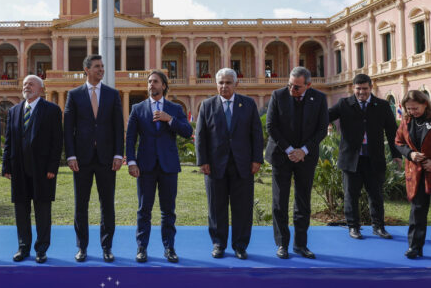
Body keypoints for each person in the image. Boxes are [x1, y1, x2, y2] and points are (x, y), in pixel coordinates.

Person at [196, 68, 264, 260]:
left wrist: (257, 160)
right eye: (221, 83)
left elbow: (256, 135)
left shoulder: (248, 104)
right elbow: (200, 136)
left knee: (242, 208)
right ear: (216, 84)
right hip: (215, 166)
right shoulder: (207, 105)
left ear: (236, 84)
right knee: (216, 207)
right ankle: (218, 243)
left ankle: (240, 245)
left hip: (242, 165)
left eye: (228, 82)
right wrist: (202, 161)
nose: (224, 86)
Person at [126, 70, 192, 263]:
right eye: (149, 82)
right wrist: (131, 162)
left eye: (155, 81)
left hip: (168, 166)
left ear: (163, 86)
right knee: (143, 210)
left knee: (168, 211)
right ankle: (141, 248)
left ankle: (169, 248)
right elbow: (130, 138)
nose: (151, 85)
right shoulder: (137, 108)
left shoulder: (174, 108)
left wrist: (169, 119)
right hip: (145, 167)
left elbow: (187, 132)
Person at [64, 54, 124, 262]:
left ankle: (107, 247)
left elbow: (118, 126)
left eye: (102, 66)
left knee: (107, 205)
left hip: (107, 159)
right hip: (81, 159)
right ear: (86, 70)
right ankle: (82, 248)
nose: (101, 69)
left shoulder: (112, 94)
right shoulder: (74, 95)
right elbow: (68, 128)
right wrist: (70, 155)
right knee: (81, 205)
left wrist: (118, 154)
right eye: (97, 66)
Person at [328, 73, 401, 240]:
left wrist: (397, 155)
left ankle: (379, 227)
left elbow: (392, 132)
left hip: (374, 159)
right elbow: (325, 117)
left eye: (365, 89)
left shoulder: (382, 106)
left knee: (376, 195)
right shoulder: (344, 104)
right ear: (353, 88)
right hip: (351, 160)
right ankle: (353, 227)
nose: (361, 92)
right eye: (358, 88)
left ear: (371, 88)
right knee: (351, 195)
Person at [266, 66, 328, 259]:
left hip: (306, 158)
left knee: (303, 202)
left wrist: (303, 150)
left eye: (297, 87)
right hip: (281, 155)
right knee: (280, 201)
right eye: (290, 85)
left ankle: (301, 244)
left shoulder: (319, 98)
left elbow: (321, 129)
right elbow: (271, 126)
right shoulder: (278, 95)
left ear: (308, 85)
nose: (292, 90)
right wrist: (290, 150)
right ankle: (282, 244)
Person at [2, 75, 63, 264]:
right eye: (24, 84)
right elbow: (9, 141)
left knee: (42, 210)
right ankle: (23, 247)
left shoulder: (52, 110)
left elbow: (57, 141)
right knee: (21, 210)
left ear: (41, 89)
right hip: (18, 168)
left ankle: (41, 249)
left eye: (31, 84)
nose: (26, 86)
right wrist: (6, 165)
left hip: (43, 170)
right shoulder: (14, 111)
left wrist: (53, 166)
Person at [394, 90, 431, 259]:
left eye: (415, 108)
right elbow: (398, 142)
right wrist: (410, 154)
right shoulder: (406, 121)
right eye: (408, 109)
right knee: (417, 211)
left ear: (425, 104)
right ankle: (414, 247)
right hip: (416, 174)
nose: (411, 112)